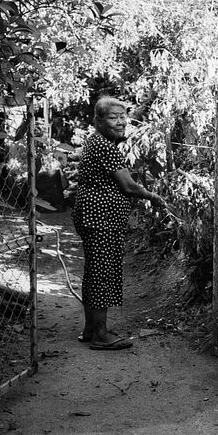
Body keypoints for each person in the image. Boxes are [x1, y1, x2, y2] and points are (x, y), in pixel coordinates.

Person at [72, 96, 166, 350]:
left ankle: (91, 329)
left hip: (94, 216)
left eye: (123, 116)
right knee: (102, 272)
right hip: (100, 219)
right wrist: (152, 196)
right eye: (113, 118)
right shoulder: (104, 146)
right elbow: (128, 185)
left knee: (95, 272)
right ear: (98, 121)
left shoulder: (98, 143)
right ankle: (101, 335)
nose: (120, 122)